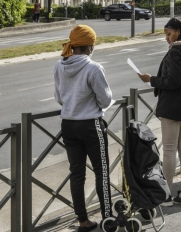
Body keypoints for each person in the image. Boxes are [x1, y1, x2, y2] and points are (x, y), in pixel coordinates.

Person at [137, 16, 181, 206]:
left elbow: (172, 82)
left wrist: (152, 80)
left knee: (169, 151)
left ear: (179, 32)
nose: (166, 38)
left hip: (172, 108)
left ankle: (165, 195)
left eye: (169, 34)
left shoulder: (177, 52)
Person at [54, 25, 112, 232]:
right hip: (90, 125)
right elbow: (105, 100)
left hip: (68, 125)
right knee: (101, 172)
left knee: (77, 173)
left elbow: (59, 98)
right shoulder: (93, 68)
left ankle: (83, 221)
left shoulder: (59, 66)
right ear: (89, 46)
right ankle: (108, 219)